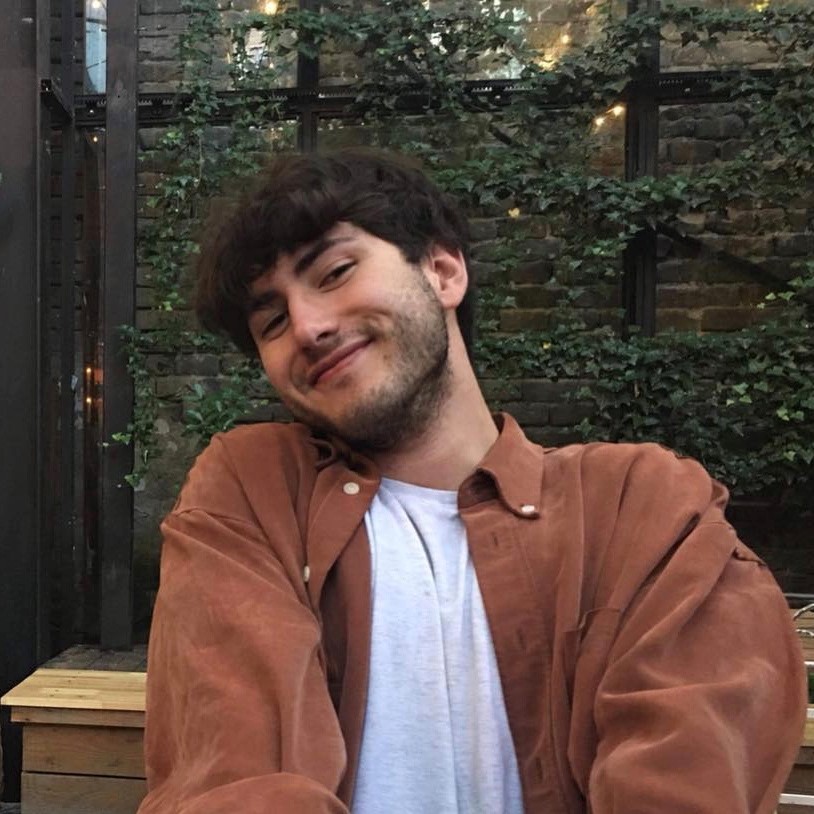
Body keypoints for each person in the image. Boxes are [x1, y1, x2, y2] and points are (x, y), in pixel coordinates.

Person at [138, 148, 807, 814]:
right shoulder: (254, 492)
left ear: (443, 271)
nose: (309, 327)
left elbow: (687, 775)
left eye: (335, 272)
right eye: (273, 322)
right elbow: (233, 777)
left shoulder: (640, 505)